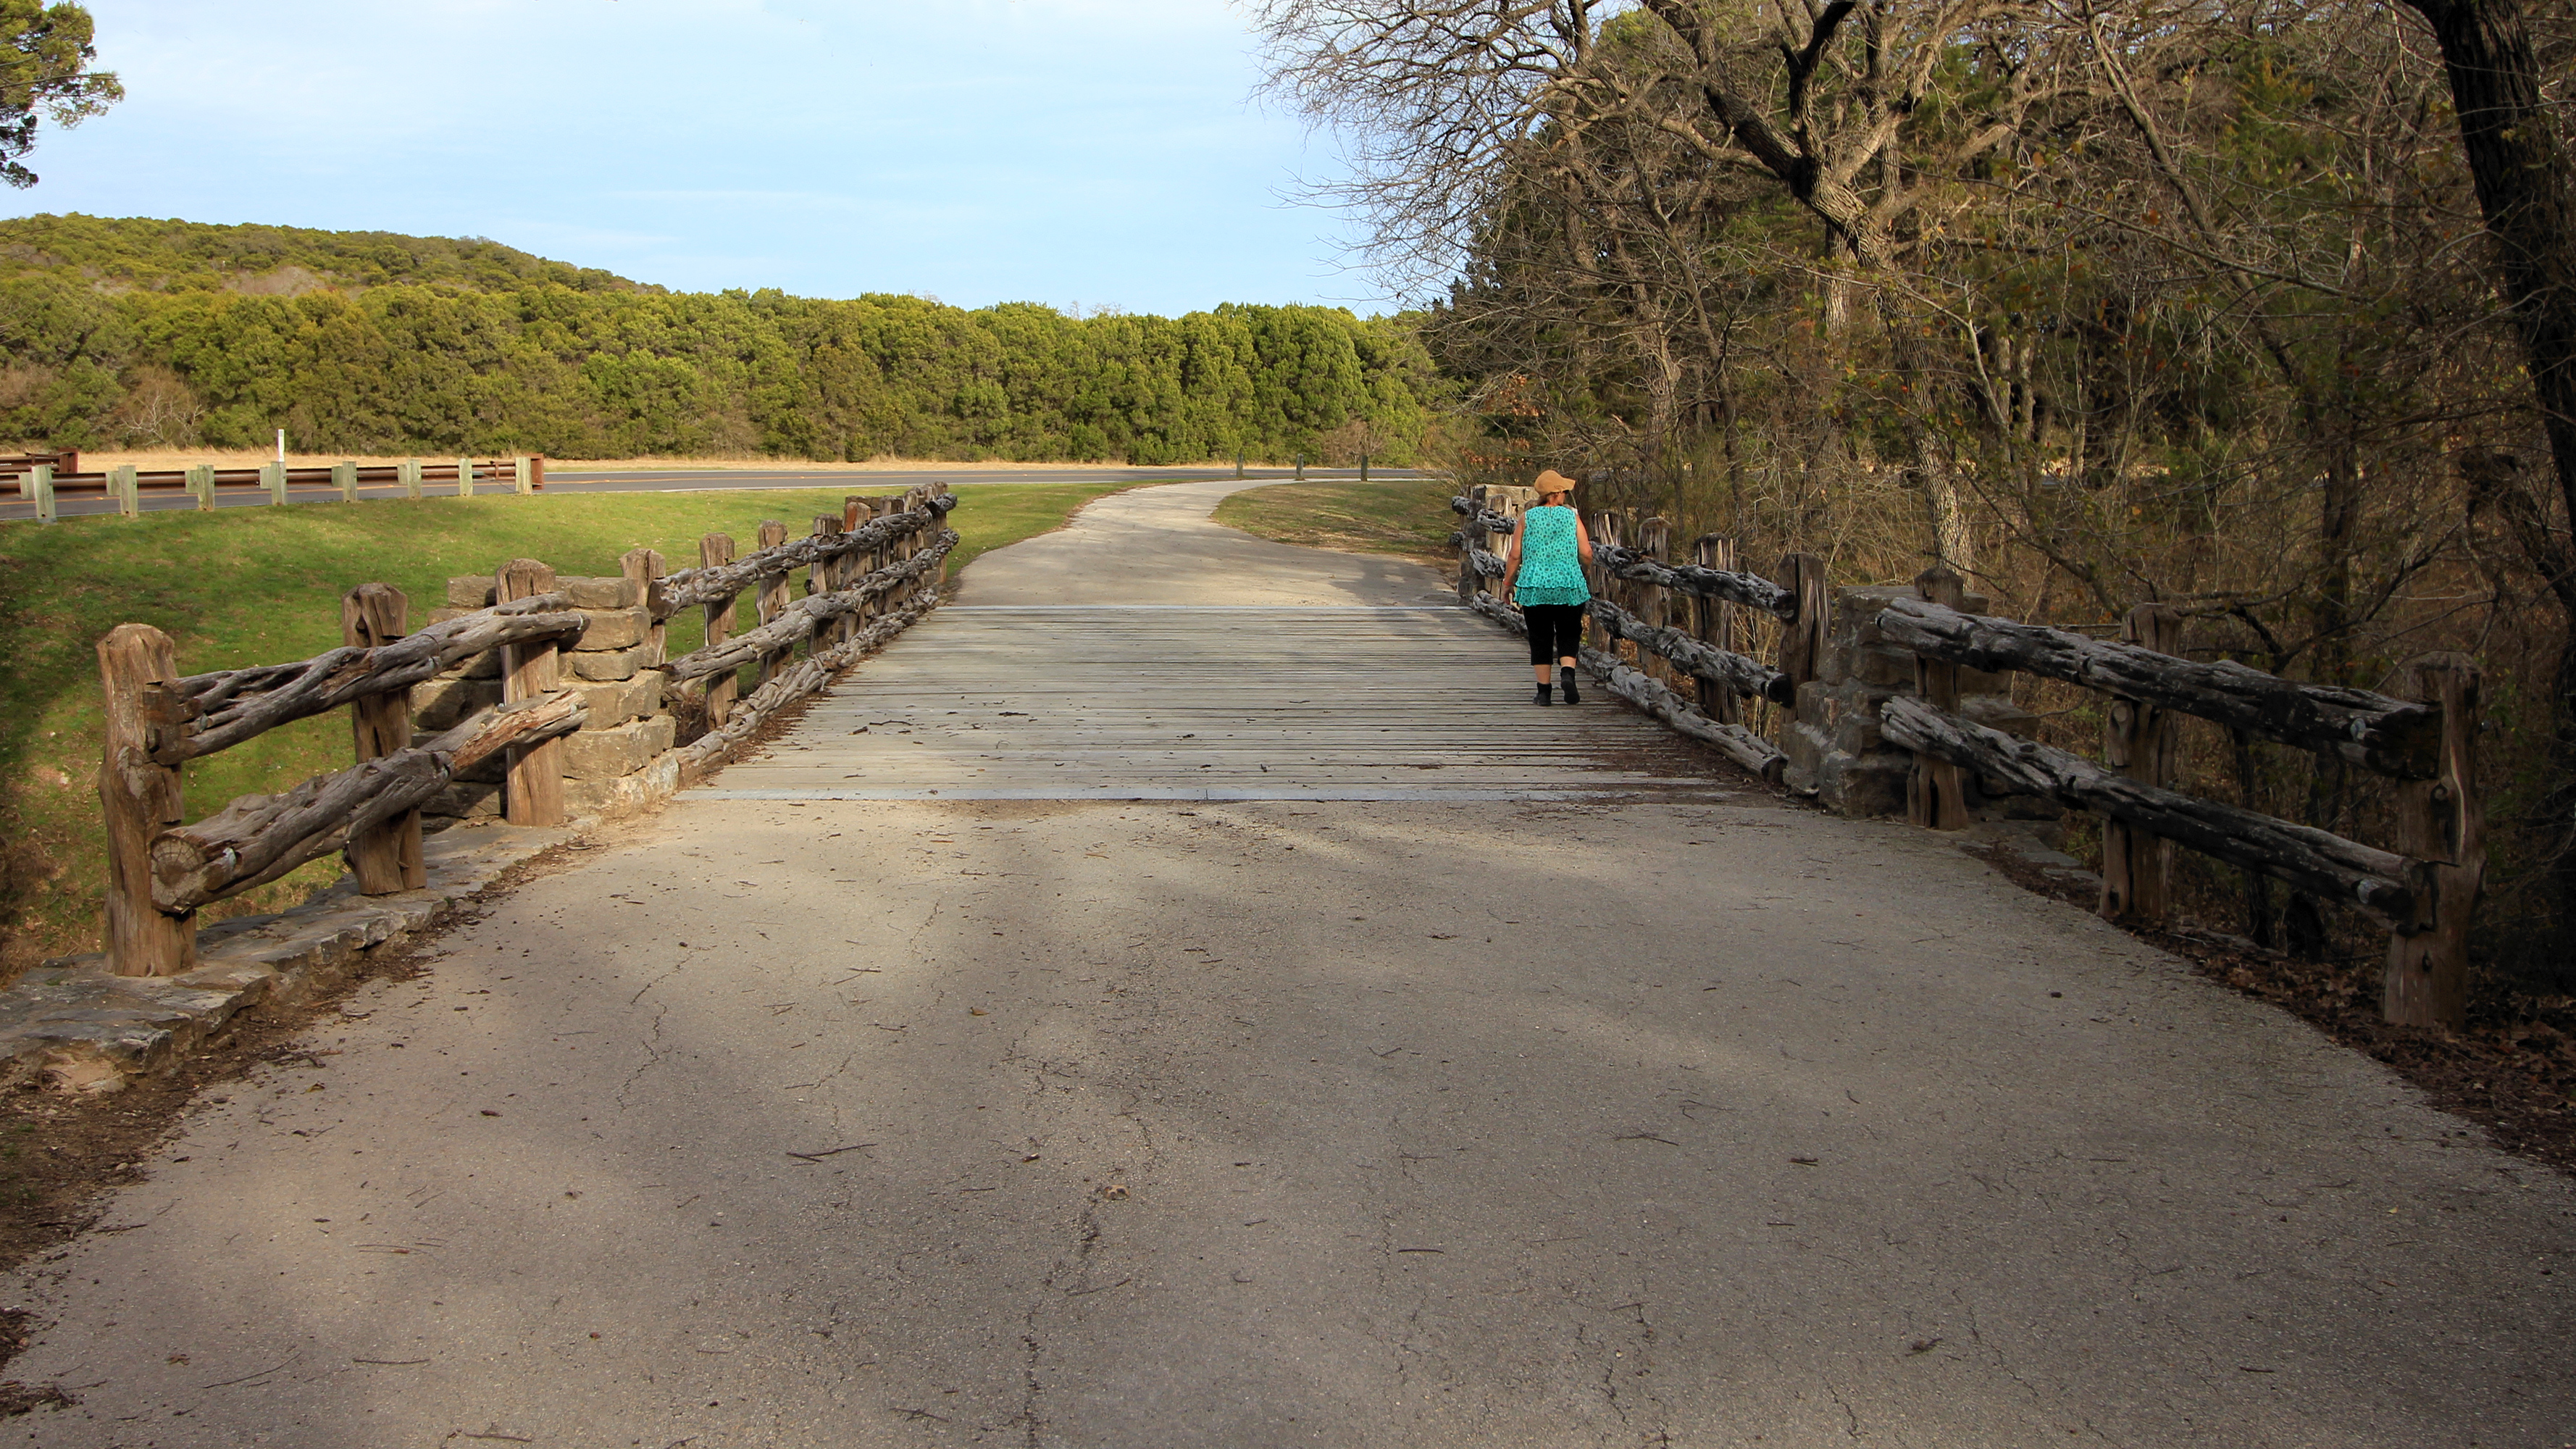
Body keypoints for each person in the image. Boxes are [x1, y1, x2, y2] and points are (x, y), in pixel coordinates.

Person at [1500, 469, 1594, 705]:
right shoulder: (1572, 517)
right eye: (1564, 491)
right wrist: (1584, 569)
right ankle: (1568, 674)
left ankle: (1544, 693)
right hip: (1568, 585)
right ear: (1557, 493)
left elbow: (1514, 555)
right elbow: (1586, 552)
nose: (1565, 495)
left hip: (1535, 587)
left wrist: (1507, 584)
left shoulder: (1527, 518)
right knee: (1569, 632)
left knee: (1540, 637)